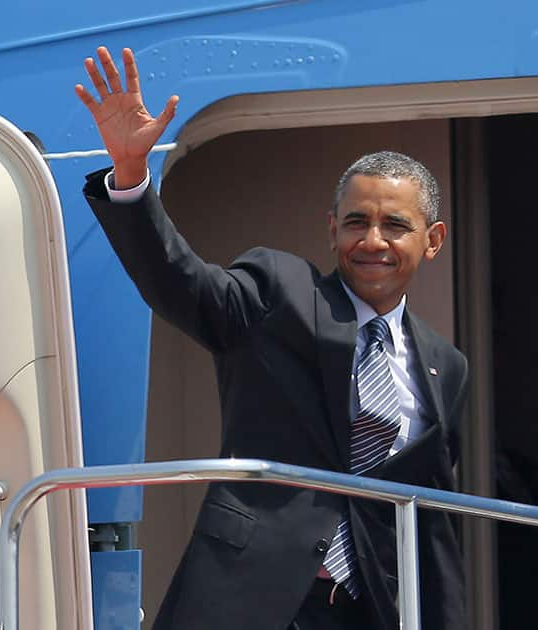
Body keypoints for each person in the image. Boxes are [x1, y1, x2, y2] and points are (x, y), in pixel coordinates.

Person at [76, 47, 468, 630]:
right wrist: (132, 179)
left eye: (395, 225)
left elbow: (432, 521)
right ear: (333, 229)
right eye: (357, 222)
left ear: (432, 240)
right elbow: (182, 285)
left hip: (370, 610)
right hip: (250, 597)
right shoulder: (279, 289)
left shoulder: (445, 364)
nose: (373, 240)